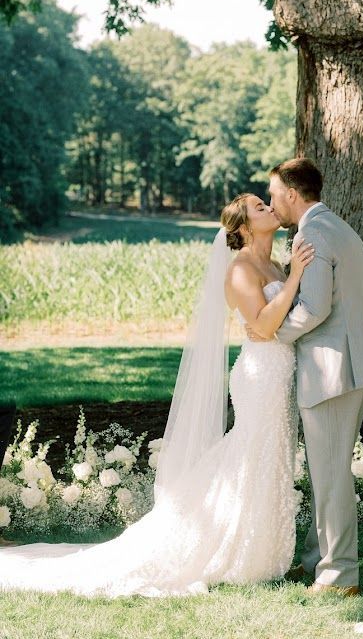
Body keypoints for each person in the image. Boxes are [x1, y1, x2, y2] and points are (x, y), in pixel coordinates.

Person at [0, 195, 314, 597]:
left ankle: (264, 548)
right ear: (243, 228)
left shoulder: (273, 264)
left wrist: (291, 275)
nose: (267, 206)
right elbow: (265, 326)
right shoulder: (240, 270)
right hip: (260, 375)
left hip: (280, 373)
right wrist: (294, 280)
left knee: (271, 454)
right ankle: (231, 547)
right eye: (257, 206)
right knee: (254, 454)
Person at [246, 158, 363, 596]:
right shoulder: (336, 227)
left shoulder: (313, 232)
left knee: (330, 476)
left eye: (272, 195)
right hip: (352, 365)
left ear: (291, 193)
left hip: (332, 369)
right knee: (329, 470)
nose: (271, 203)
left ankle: (339, 575)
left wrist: (273, 335)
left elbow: (316, 307)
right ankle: (315, 560)